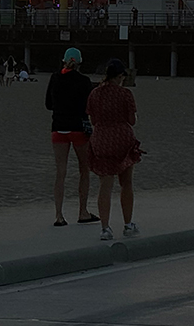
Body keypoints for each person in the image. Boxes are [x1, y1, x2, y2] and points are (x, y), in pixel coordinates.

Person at [88, 58, 143, 240]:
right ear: (119, 76)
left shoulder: (95, 94)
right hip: (122, 138)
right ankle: (127, 224)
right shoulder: (125, 94)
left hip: (101, 138)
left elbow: (93, 120)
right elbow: (132, 120)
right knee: (126, 183)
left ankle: (105, 228)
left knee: (105, 185)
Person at [45, 48, 97, 227]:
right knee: (84, 169)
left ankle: (59, 215)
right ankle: (83, 211)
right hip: (78, 128)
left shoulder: (55, 78)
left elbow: (48, 104)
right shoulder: (84, 81)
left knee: (60, 172)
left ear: (64, 61)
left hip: (58, 127)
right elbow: (88, 106)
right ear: (80, 62)